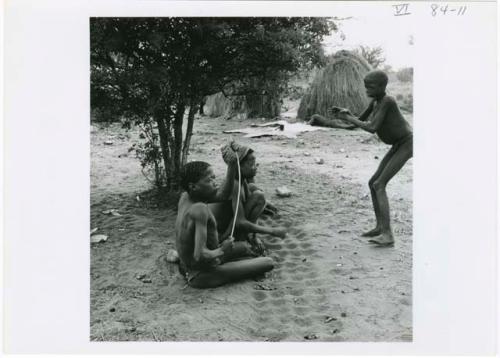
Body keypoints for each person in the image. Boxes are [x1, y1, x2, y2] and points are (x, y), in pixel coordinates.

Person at [335, 70, 413, 246]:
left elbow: (371, 127)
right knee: (373, 183)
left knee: (379, 184)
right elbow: (352, 125)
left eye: (371, 86)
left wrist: (350, 118)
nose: (367, 90)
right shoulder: (375, 102)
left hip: (408, 143)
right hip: (398, 144)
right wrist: (343, 116)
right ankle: (380, 227)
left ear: (381, 86)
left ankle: (388, 234)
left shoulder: (388, 101)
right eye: (366, 86)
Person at [175, 152, 275, 288]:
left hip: (191, 262)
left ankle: (179, 260)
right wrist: (223, 250)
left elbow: (223, 194)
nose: (215, 183)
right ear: (193, 186)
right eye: (209, 180)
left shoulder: (186, 196)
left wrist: (232, 166)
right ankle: (213, 269)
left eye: (214, 178)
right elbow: (200, 254)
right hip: (201, 274)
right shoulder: (200, 210)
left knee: (245, 247)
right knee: (268, 262)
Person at [209, 143, 287, 255]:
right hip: (221, 234)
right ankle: (242, 238)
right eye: (251, 164)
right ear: (238, 166)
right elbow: (239, 222)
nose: (255, 167)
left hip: (230, 223)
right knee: (259, 196)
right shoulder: (234, 185)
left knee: (256, 191)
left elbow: (252, 193)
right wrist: (273, 231)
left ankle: (249, 235)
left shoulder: (242, 180)